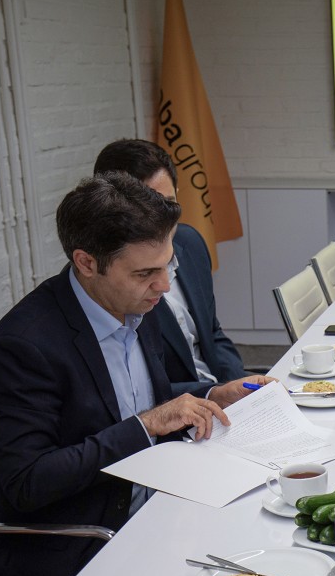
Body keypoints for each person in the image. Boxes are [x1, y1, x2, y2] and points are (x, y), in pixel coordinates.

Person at [0, 174, 267, 576]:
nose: (164, 286)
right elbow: (28, 482)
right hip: (78, 546)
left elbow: (134, 397)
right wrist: (146, 426)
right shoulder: (24, 346)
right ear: (87, 263)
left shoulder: (134, 301)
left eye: (167, 266)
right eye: (146, 273)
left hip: (156, 514)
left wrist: (212, 394)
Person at [94, 139, 247, 399]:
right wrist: (213, 394)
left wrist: (237, 385)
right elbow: (131, 392)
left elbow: (213, 334)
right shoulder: (107, 278)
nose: (161, 221)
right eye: (145, 209)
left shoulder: (190, 242)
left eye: (167, 204)